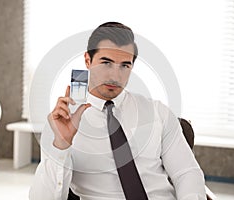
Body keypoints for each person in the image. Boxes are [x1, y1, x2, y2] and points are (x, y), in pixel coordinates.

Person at [29, 22, 206, 200]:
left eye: (124, 66)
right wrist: (62, 144)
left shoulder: (158, 113)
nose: (115, 76)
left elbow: (187, 173)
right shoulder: (61, 122)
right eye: (106, 63)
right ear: (88, 61)